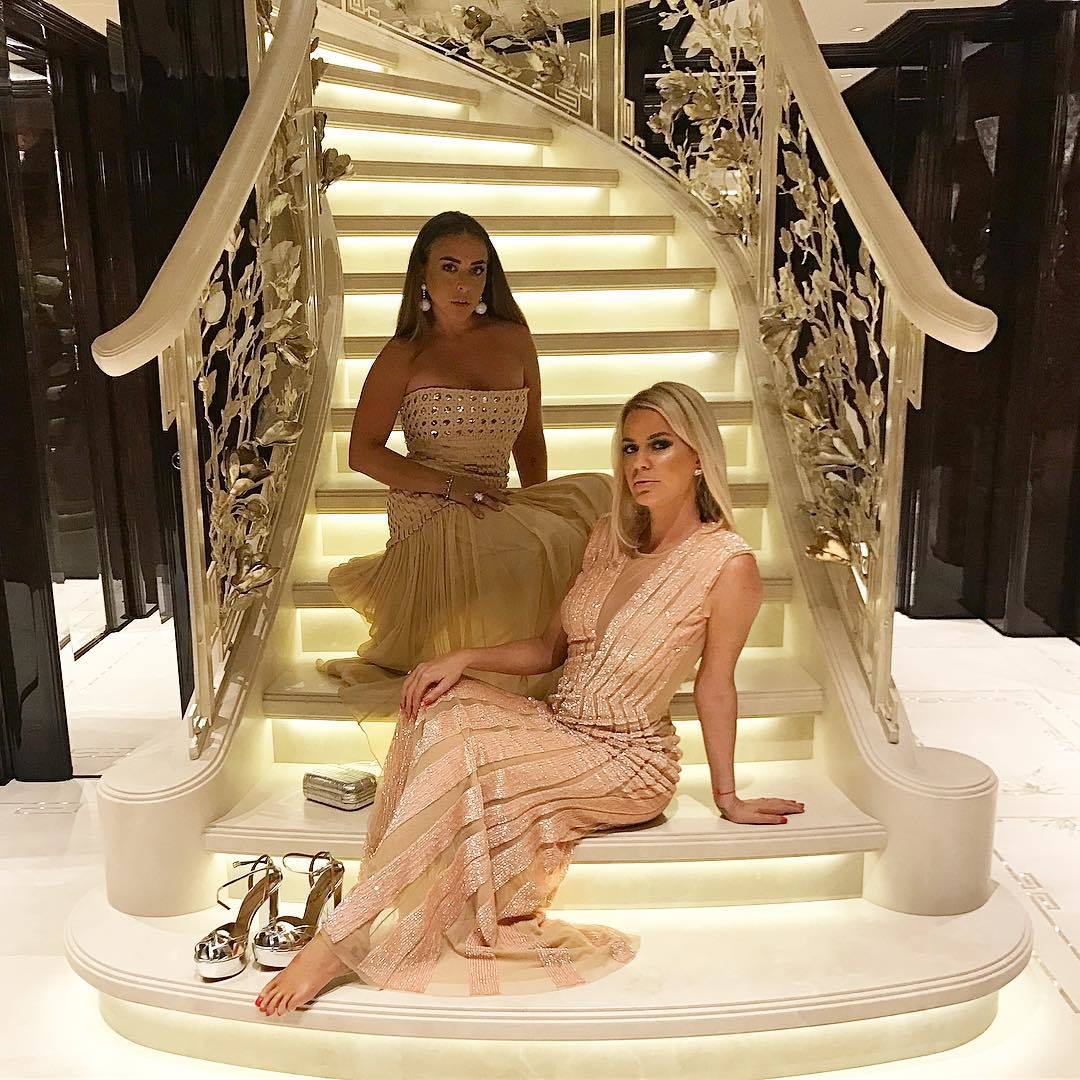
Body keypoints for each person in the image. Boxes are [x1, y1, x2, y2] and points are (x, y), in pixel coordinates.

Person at [256, 381, 805, 1015]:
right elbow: (549, 650)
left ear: (700, 457)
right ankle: (363, 912)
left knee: (464, 751)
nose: (640, 463)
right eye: (629, 448)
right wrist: (462, 658)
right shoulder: (608, 538)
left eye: (660, 445)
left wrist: (728, 796)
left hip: (627, 760)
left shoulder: (728, 565)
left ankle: (338, 939)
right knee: (442, 705)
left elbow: (715, 685)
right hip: (559, 725)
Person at [318, 211, 612, 723]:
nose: (463, 284)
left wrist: (538, 509)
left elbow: (529, 438)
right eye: (449, 267)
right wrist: (451, 486)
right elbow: (362, 452)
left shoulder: (514, 338)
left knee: (597, 504)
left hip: (493, 500)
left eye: (477, 270)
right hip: (430, 508)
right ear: (423, 273)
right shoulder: (403, 354)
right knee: (527, 546)